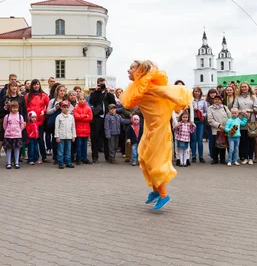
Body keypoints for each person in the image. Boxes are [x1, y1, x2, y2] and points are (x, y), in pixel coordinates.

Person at [120, 60, 192, 210]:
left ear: (140, 71)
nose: (128, 70)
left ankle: (164, 195)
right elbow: (129, 104)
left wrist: (180, 106)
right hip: (150, 127)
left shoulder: (151, 87)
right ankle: (155, 191)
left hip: (159, 127)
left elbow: (169, 93)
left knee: (156, 161)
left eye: (132, 68)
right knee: (144, 158)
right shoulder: (138, 87)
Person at [89, 78, 116, 163]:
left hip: (106, 117)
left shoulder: (108, 94)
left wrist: (108, 93)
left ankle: (108, 157)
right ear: (97, 84)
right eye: (100, 84)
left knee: (106, 137)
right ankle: (95, 157)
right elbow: (92, 102)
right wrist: (97, 91)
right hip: (97, 118)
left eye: (103, 84)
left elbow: (113, 103)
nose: (102, 86)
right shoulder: (94, 93)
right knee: (95, 137)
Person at [25, 79, 49, 162]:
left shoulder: (44, 95)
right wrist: (29, 112)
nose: (36, 86)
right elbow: (25, 107)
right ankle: (31, 157)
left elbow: (48, 106)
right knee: (31, 139)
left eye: (38, 84)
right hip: (31, 121)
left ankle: (44, 156)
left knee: (40, 139)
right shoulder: (28, 95)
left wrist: (44, 111)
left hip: (40, 120)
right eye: (34, 84)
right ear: (32, 86)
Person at [236, 82, 257, 164]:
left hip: (251, 120)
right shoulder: (238, 97)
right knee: (243, 140)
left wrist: (248, 110)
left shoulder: (253, 97)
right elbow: (235, 108)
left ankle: (251, 157)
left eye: (245, 87)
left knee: (251, 140)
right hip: (241, 121)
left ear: (248, 87)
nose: (244, 88)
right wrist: (241, 112)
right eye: (242, 87)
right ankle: (245, 157)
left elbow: (256, 108)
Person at [207, 94, 231, 165]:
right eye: (215, 99)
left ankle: (222, 159)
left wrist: (227, 126)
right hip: (216, 129)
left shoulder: (224, 107)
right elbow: (210, 120)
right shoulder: (210, 108)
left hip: (225, 128)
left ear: (221, 100)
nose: (217, 101)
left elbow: (230, 117)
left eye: (218, 99)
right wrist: (219, 125)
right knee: (215, 145)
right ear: (213, 100)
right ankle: (215, 159)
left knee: (223, 144)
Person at [3, 101, 25, 169]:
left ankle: (16, 162)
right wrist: (8, 130)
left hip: (17, 135)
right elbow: (4, 125)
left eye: (16, 108)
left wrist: (18, 131)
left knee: (16, 149)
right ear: (10, 108)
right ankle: (9, 162)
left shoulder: (20, 116)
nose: (15, 109)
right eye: (13, 108)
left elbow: (22, 125)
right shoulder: (7, 116)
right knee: (8, 149)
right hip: (8, 135)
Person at [54, 100, 76, 169]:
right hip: (61, 136)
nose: (66, 109)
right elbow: (56, 127)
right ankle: (61, 163)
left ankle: (68, 162)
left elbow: (73, 127)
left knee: (68, 151)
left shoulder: (71, 117)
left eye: (67, 107)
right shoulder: (58, 117)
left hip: (69, 136)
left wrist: (73, 136)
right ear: (61, 107)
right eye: (64, 107)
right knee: (60, 150)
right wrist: (57, 136)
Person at [73, 93, 93, 165]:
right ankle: (78, 158)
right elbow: (76, 117)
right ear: (78, 100)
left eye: (83, 99)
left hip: (86, 130)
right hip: (78, 129)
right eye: (80, 99)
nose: (82, 101)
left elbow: (90, 118)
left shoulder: (88, 108)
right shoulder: (76, 108)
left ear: (85, 100)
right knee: (79, 145)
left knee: (85, 145)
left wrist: (81, 117)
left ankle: (84, 158)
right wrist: (85, 115)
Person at [190, 86, 208, 163]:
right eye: (195, 91)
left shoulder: (203, 101)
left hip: (200, 121)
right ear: (193, 92)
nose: (196, 93)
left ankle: (201, 156)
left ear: (200, 92)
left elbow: (206, 111)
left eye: (198, 91)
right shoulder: (190, 100)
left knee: (200, 139)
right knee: (193, 139)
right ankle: (194, 155)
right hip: (193, 121)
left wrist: (202, 115)